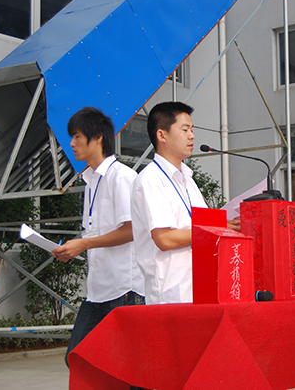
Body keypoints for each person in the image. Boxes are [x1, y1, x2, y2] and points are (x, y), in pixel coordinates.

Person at [52, 107, 145, 366]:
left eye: (77, 136)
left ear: (98, 138)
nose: (72, 143)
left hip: (125, 290)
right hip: (98, 290)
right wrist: (75, 248)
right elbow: (97, 233)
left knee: (132, 368)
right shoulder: (91, 181)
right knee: (78, 359)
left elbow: (132, 230)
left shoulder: (122, 177)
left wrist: (83, 244)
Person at [131, 101, 239, 305]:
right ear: (162, 135)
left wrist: (226, 226)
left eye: (192, 129)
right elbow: (165, 239)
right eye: (185, 129)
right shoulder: (150, 180)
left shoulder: (187, 179)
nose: (192, 136)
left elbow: (200, 226)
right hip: (171, 294)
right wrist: (217, 228)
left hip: (201, 287)